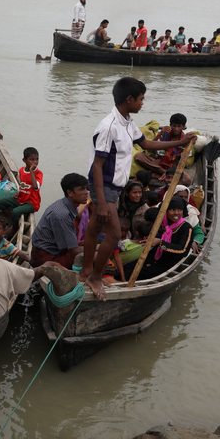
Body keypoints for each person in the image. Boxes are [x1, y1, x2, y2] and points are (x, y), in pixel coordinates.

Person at [82, 78, 197, 300]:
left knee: (95, 228)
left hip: (113, 187)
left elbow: (145, 144)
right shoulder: (109, 127)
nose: (143, 103)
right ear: (129, 99)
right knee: (114, 233)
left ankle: (87, 271)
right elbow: (96, 166)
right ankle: (95, 277)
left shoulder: (127, 121)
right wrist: (103, 202)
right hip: (103, 186)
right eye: (141, 99)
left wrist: (179, 143)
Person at [125, 196, 194, 280]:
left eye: (179, 210)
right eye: (172, 210)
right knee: (125, 268)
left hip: (167, 265)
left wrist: (160, 243)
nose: (176, 213)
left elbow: (182, 249)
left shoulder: (186, 228)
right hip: (157, 258)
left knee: (129, 274)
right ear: (166, 211)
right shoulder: (164, 225)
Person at [31, 173, 88, 269]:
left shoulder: (65, 204)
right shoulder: (62, 214)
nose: (86, 192)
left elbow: (78, 214)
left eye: (86, 188)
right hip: (46, 257)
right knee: (95, 255)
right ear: (70, 193)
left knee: (93, 243)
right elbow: (74, 251)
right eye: (82, 189)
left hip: (56, 249)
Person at [135, 113, 194, 186]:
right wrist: (159, 134)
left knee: (187, 180)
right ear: (170, 125)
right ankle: (166, 174)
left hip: (174, 166)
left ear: (184, 127)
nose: (176, 129)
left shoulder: (185, 139)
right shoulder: (164, 135)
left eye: (179, 126)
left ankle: (161, 174)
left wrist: (187, 144)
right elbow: (149, 149)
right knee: (138, 156)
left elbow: (183, 161)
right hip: (159, 162)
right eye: (174, 126)